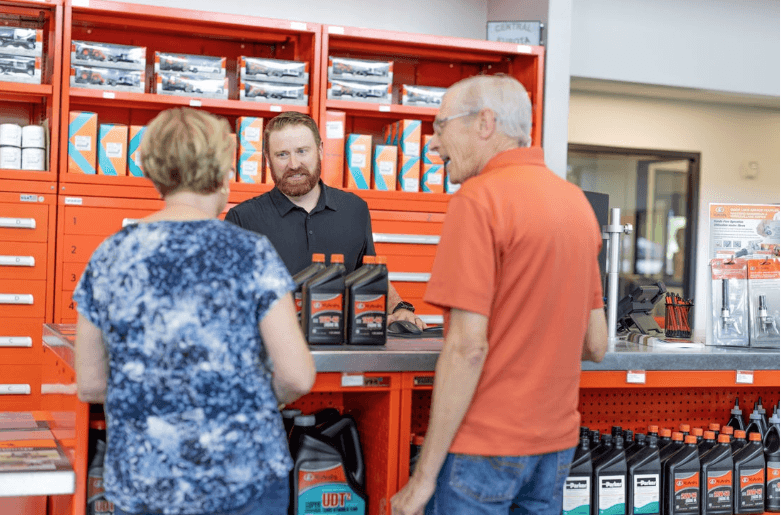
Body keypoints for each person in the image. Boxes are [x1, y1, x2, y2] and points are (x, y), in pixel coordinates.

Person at [73, 107, 316, 515]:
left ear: (154, 169)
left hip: (147, 479)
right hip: (243, 479)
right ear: (223, 171)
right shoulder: (250, 252)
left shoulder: (110, 256)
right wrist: (246, 403)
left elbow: (91, 384)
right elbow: (297, 375)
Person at [390, 75, 608, 515]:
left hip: (484, 448)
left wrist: (423, 478)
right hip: (555, 450)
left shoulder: (479, 199)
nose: (434, 144)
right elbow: (596, 344)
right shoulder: (576, 204)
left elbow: (467, 348)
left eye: (440, 126)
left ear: (485, 123)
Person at [224, 112, 425, 328]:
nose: (293, 164)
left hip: (342, 349)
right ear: (267, 159)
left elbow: (369, 274)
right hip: (271, 349)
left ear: (320, 150)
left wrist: (399, 308)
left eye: (302, 151)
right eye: (282, 154)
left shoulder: (354, 209)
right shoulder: (242, 219)